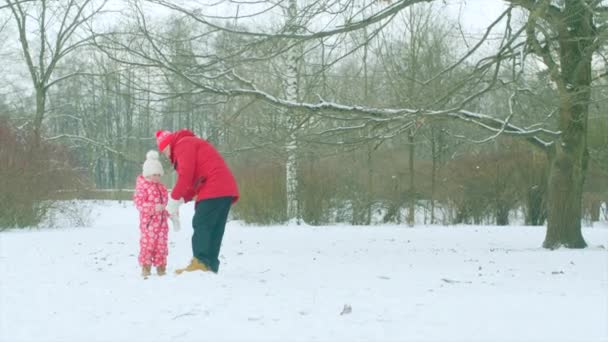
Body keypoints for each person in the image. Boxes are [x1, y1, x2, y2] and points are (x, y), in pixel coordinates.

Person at [156, 129, 239, 274]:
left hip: (214, 187)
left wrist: (173, 200)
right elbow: (194, 182)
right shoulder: (190, 144)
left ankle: (200, 262)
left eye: (165, 150)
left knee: (201, 223)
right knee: (215, 229)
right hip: (225, 189)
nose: (166, 154)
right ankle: (210, 265)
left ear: (169, 144)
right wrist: (181, 199)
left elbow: (186, 176)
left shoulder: (183, 145)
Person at [133, 150, 171, 278]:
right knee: (148, 245)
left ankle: (161, 268)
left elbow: (165, 204)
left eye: (159, 174)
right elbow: (139, 203)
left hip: (162, 224)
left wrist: (169, 212)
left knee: (161, 245)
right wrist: (153, 207)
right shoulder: (143, 187)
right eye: (154, 174)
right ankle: (146, 267)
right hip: (149, 223)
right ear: (148, 174)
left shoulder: (162, 187)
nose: (157, 177)